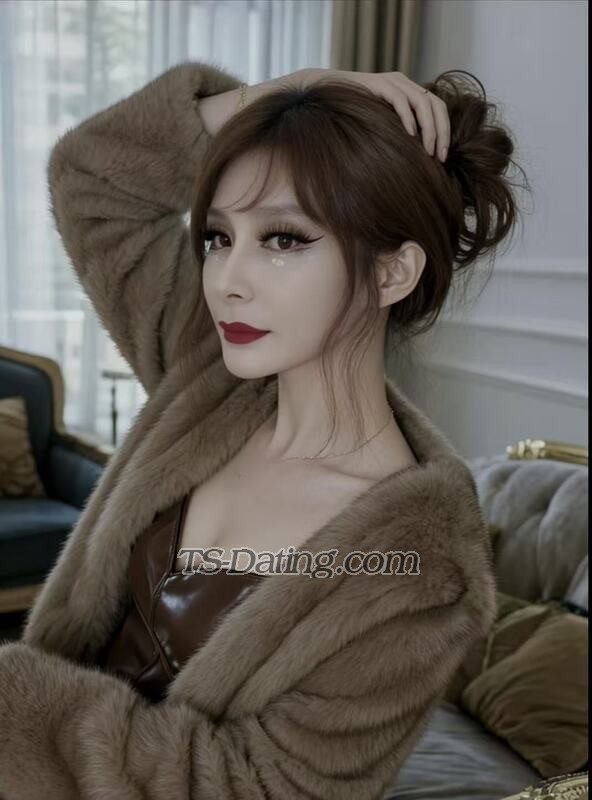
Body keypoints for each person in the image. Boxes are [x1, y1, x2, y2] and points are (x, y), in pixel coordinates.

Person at [0, 61, 525, 799]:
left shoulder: (422, 571)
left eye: (283, 239)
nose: (227, 281)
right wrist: (288, 95)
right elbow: (91, 177)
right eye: (218, 237)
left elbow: (255, 787)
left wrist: (15, 707)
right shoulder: (209, 379)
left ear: (391, 273)